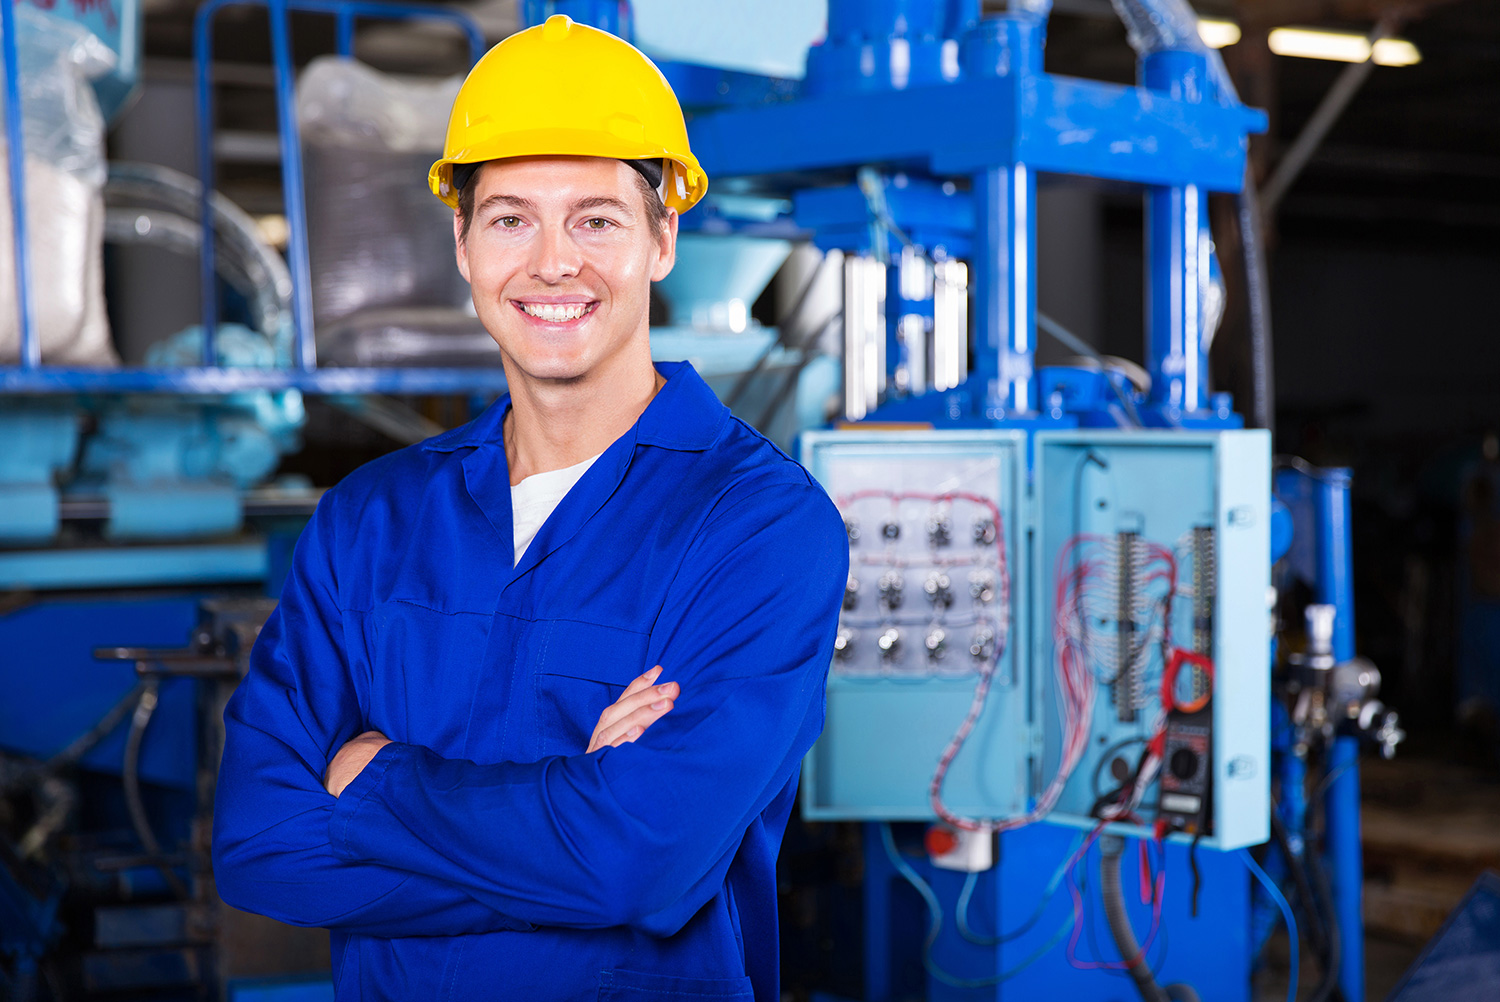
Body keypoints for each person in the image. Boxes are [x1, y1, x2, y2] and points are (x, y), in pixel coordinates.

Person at [211, 15, 848, 1002]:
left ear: (663, 236)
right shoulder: (371, 519)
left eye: (596, 218)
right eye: (511, 218)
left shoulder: (759, 527)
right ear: (462, 244)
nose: (554, 262)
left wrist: (374, 782)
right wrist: (577, 831)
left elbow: (647, 862)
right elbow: (260, 846)